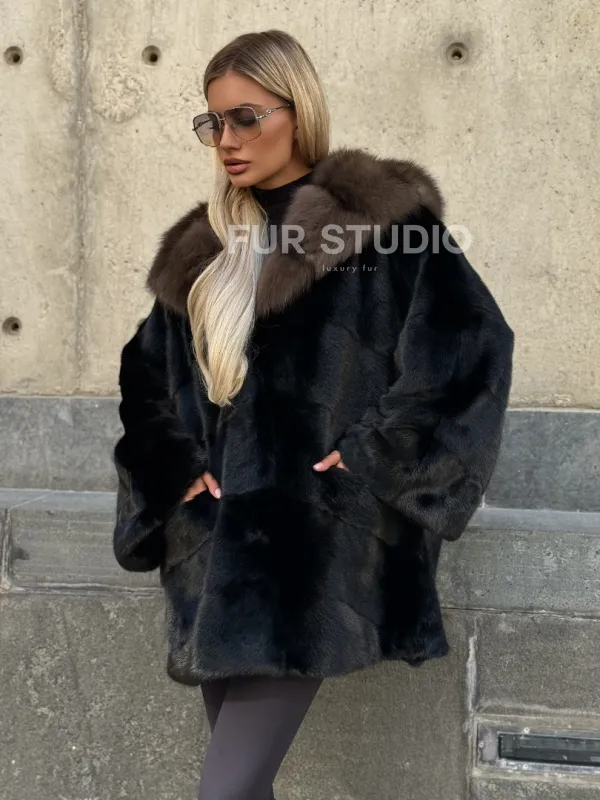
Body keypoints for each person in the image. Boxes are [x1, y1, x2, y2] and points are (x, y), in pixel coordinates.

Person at [111, 28, 514, 800]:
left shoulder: (384, 226)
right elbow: (145, 376)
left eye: (246, 117)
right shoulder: (204, 250)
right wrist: (173, 469)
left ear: (298, 112)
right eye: (212, 122)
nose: (227, 140)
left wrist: (375, 455)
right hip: (212, 551)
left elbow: (470, 348)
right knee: (243, 789)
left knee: (224, 792)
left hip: (316, 549)